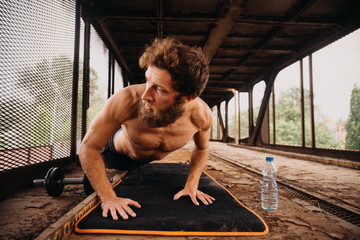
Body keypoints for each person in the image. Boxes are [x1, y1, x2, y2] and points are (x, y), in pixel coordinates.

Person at [79, 37, 215, 221]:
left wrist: (192, 185)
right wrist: (108, 197)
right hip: (118, 154)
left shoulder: (201, 115)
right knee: (90, 188)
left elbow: (202, 147)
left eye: (159, 89)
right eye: (147, 80)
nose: (145, 95)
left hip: (146, 159)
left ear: (187, 98)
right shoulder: (126, 100)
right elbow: (88, 147)